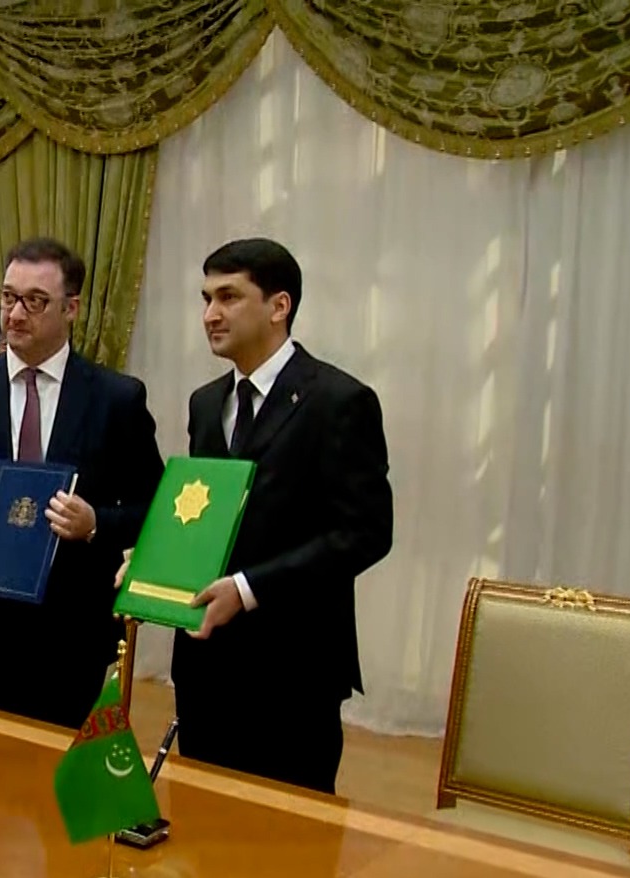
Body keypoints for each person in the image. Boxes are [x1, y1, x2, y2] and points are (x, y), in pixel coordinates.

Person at [164, 237, 392, 795]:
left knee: (288, 833)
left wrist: (248, 589)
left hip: (293, 669)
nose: (210, 314)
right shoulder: (204, 403)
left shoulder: (339, 400)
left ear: (278, 305)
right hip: (205, 663)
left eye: (228, 297)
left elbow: (364, 533)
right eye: (205, 299)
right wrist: (155, 559)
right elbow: (205, 514)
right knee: (204, 820)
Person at [0, 237, 163, 728]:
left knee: (55, 770)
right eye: (8, 297)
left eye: (35, 301)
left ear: (72, 308)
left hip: (70, 634)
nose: (15, 314)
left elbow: (153, 507)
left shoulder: (116, 399)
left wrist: (95, 523)